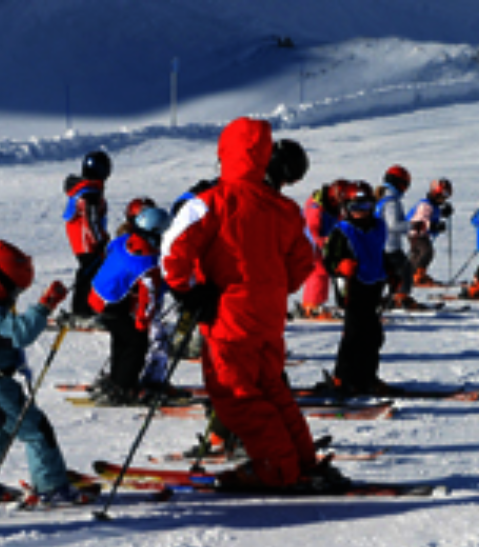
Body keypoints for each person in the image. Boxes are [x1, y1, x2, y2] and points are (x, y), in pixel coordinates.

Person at [161, 117, 344, 492]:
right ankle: (301, 459)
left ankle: (277, 469)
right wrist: (274, 289)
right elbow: (304, 261)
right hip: (267, 318)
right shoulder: (283, 208)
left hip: (228, 318)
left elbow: (171, 251)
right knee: (273, 390)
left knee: (236, 398)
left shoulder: (213, 200)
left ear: (225, 153)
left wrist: (190, 290)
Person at [0, 240, 98, 506]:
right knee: (37, 431)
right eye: (14, 289)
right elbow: (21, 333)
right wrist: (44, 306)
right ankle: (51, 487)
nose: (15, 295)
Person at [87, 202, 184, 406]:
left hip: (98, 295)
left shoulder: (124, 241)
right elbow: (148, 298)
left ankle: (117, 379)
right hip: (113, 303)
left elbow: (110, 250)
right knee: (136, 343)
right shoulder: (147, 264)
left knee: (121, 338)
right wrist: (142, 323)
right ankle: (125, 387)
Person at [323, 181, 390, 395]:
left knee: (373, 335)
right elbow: (328, 259)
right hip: (352, 288)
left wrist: (393, 272)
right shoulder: (342, 231)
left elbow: (379, 254)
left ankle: (366, 377)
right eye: (355, 208)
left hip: (374, 287)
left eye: (365, 207)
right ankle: (342, 378)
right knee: (354, 334)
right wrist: (339, 266)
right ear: (346, 209)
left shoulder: (378, 227)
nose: (361, 213)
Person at [62, 150, 113, 325]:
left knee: (90, 271)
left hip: (83, 241)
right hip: (87, 242)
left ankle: (86, 308)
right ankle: (82, 311)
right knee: (89, 272)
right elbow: (91, 220)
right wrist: (100, 241)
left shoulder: (86, 189)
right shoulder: (90, 193)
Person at [294, 179, 350, 319]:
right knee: (318, 271)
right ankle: (311, 306)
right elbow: (312, 229)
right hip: (310, 245)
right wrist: (324, 241)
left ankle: (317, 303)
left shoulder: (334, 208)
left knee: (325, 271)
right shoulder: (315, 207)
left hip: (322, 245)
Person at [376, 165, 420, 309]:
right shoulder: (391, 201)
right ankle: (400, 297)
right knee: (405, 271)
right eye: (405, 185)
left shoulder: (382, 197)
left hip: (379, 244)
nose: (405, 190)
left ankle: (388, 298)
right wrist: (412, 226)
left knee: (386, 274)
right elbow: (393, 225)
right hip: (390, 246)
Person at [406, 178, 454, 287]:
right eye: (443, 197)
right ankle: (418, 275)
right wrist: (434, 226)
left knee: (417, 254)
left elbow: (432, 215)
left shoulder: (432, 206)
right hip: (416, 233)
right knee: (426, 252)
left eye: (446, 197)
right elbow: (421, 220)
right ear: (436, 194)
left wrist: (443, 213)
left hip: (417, 233)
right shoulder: (425, 205)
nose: (444, 200)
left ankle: (410, 274)